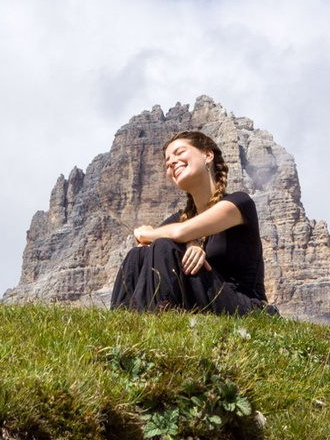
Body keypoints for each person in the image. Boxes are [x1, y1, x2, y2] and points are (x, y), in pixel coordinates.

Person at [107, 130, 272, 316]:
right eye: (167, 162)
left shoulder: (239, 203)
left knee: (163, 245)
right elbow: (147, 246)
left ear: (207, 155)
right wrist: (190, 243)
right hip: (203, 300)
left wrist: (174, 237)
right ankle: (123, 322)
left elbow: (172, 235)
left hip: (244, 307)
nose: (171, 163)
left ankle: (151, 323)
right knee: (138, 254)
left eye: (179, 153)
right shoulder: (179, 219)